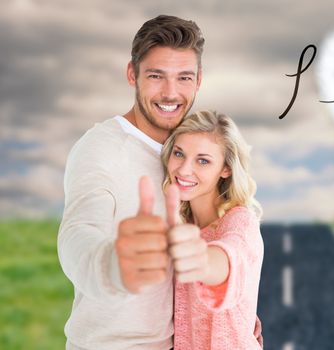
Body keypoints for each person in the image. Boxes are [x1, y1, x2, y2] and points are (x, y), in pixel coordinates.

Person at [58, 15, 204, 349]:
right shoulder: (100, 148)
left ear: (198, 82)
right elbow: (77, 233)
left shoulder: (190, 152)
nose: (171, 92)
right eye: (156, 76)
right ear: (131, 75)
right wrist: (111, 265)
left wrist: (230, 318)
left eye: (184, 77)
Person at [160, 110, 264, 349]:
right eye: (179, 154)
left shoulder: (240, 222)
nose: (184, 170)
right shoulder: (182, 224)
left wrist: (199, 259)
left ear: (225, 169)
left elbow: (228, 258)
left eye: (203, 160)